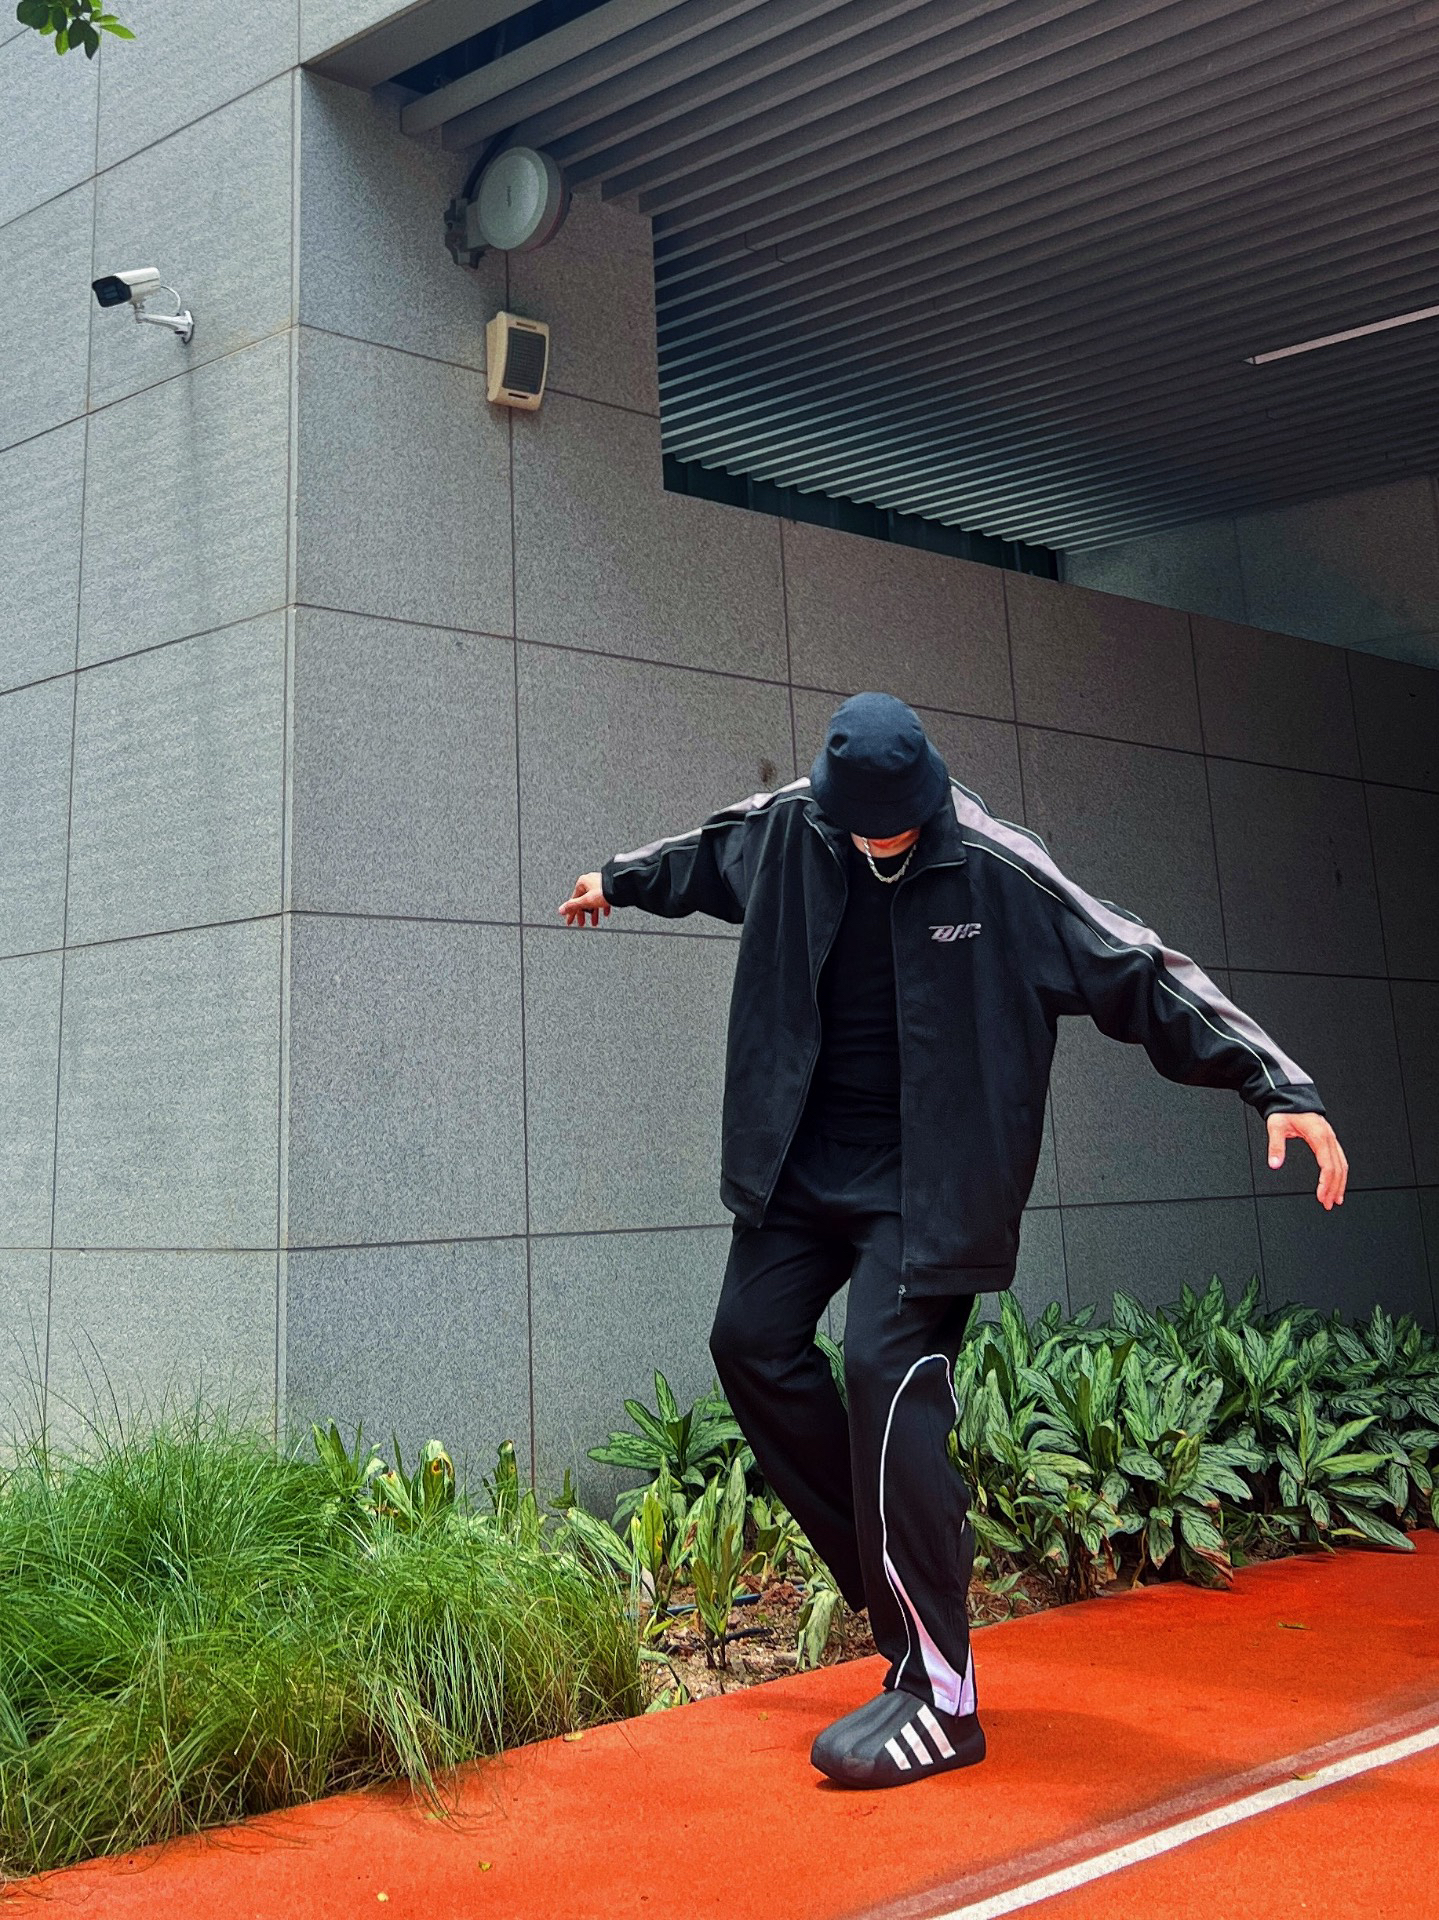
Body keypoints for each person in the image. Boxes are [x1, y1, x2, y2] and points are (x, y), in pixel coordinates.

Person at [559, 691, 1348, 1790]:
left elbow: (1136, 964)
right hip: (800, 1166)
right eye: (862, 830)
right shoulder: (793, 826)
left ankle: (941, 1695)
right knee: (747, 1342)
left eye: (896, 829)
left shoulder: (994, 866)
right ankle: (903, 1570)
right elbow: (705, 850)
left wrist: (1275, 1084)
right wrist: (616, 879)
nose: (880, 844)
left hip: (925, 1189)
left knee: (885, 1371)